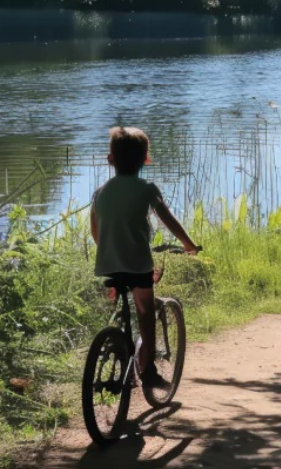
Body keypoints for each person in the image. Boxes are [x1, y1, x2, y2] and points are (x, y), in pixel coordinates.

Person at [90, 126, 199, 388]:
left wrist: (111, 250)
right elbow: (167, 219)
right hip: (138, 264)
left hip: (107, 263)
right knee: (145, 312)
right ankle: (147, 368)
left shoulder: (100, 193)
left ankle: (116, 350)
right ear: (146, 160)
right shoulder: (147, 188)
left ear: (110, 159)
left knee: (125, 307)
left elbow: (96, 232)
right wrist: (188, 244)